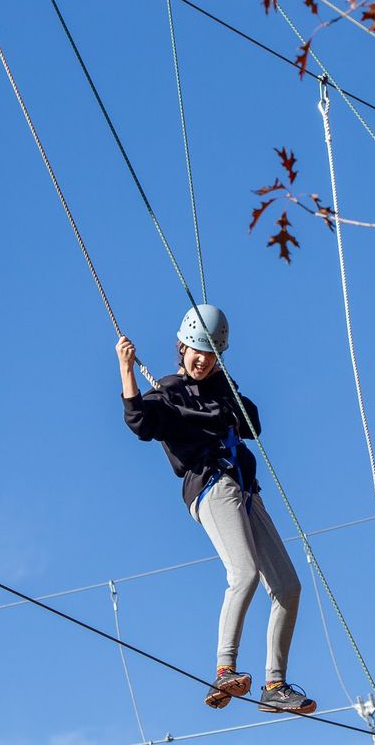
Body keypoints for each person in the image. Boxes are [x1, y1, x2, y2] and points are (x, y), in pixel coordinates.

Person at [117, 305, 317, 714]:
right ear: (182, 347)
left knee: (288, 587)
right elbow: (139, 423)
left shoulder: (222, 390)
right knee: (243, 573)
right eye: (196, 350)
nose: (202, 360)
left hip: (245, 488)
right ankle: (225, 668)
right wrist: (126, 369)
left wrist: (227, 389)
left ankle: (274, 686)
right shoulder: (169, 391)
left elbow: (253, 425)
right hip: (210, 484)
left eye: (211, 354)